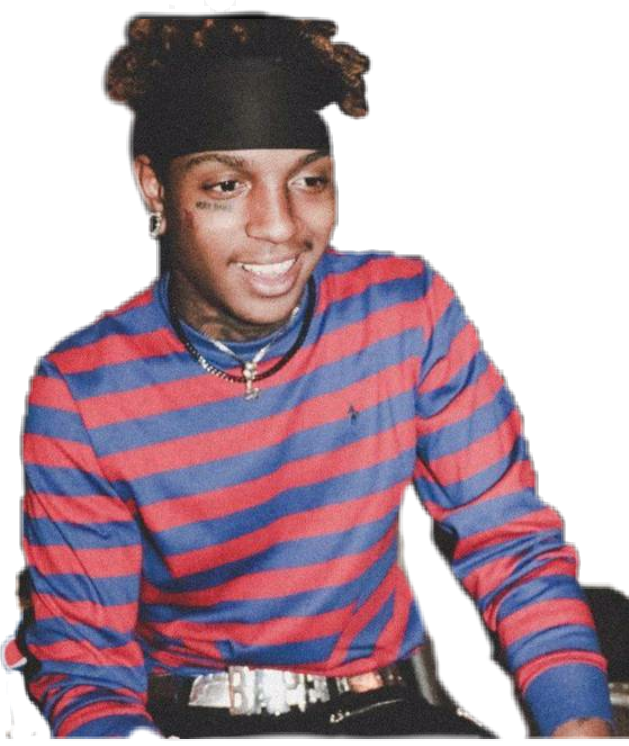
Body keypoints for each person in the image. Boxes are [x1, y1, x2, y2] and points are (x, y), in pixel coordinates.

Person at [11, 16, 614, 739]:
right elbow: (87, 668)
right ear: (155, 189)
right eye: (226, 184)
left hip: (385, 715)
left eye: (309, 180)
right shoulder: (82, 390)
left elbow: (509, 542)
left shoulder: (403, 313)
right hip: (181, 725)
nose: (281, 226)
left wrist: (579, 722)